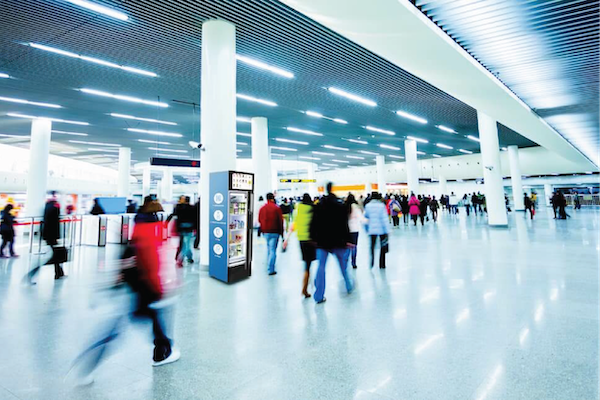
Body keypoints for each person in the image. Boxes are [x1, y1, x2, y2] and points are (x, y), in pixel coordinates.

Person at [70, 196, 180, 384]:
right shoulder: (151, 231)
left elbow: (129, 257)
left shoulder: (137, 226)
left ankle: (163, 350)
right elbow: (150, 262)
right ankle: (161, 352)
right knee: (121, 327)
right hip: (145, 287)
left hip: (134, 285)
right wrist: (160, 287)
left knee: (151, 320)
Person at [310, 182, 353, 304]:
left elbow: (313, 223)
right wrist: (348, 239)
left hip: (322, 242)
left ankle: (318, 296)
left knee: (321, 268)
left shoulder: (319, 205)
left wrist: (313, 238)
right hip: (338, 241)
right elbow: (345, 224)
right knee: (343, 266)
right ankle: (349, 286)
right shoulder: (340, 205)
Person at [26, 192, 66, 282]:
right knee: (53, 256)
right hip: (51, 235)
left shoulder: (48, 206)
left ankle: (59, 272)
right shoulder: (54, 207)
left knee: (56, 254)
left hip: (49, 235)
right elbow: (54, 222)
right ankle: (32, 274)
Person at [286, 193, 316, 298]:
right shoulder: (313, 209)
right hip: (312, 240)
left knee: (307, 265)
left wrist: (287, 238)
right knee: (312, 265)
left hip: (301, 240)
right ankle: (305, 289)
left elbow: (293, 225)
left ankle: (307, 285)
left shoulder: (297, 210)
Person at [258, 193, 283, 276]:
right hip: (275, 232)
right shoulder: (277, 208)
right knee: (273, 251)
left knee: (269, 249)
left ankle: (269, 265)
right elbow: (280, 221)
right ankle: (271, 269)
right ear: (273, 198)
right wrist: (282, 233)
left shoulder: (262, 208)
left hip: (265, 232)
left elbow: (259, 220)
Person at [166, 196, 195, 266]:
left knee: (184, 244)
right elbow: (195, 218)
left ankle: (187, 257)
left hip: (181, 227)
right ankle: (182, 259)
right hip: (189, 227)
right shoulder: (192, 208)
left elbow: (173, 214)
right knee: (186, 244)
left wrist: (166, 221)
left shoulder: (178, 207)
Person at [364, 192, 389, 269]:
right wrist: (387, 230)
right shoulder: (381, 206)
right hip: (381, 230)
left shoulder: (367, 206)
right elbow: (384, 219)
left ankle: (371, 262)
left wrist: (366, 229)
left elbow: (365, 219)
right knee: (382, 247)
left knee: (372, 246)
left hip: (372, 230)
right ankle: (382, 264)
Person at [346, 194, 363, 269]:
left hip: (346, 229)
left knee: (347, 246)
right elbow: (361, 218)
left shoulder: (344, 206)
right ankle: (353, 262)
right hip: (355, 229)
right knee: (354, 246)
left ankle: (345, 261)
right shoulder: (356, 207)